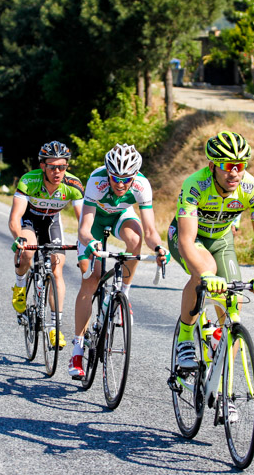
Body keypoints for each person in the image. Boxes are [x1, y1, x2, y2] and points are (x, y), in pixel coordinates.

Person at [168, 131, 254, 374]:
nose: (234, 172)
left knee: (233, 299)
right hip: (189, 237)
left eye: (240, 165)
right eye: (227, 166)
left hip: (222, 240)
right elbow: (186, 240)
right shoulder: (195, 184)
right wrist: (204, 275)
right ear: (212, 165)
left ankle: (222, 386)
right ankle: (185, 338)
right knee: (205, 271)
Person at [69, 144, 168, 377]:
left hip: (120, 215)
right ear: (108, 173)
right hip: (94, 220)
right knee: (90, 281)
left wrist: (159, 247)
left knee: (136, 238)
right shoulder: (97, 180)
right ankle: (77, 349)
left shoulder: (142, 185)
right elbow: (84, 228)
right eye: (116, 178)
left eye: (127, 179)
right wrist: (91, 243)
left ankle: (124, 292)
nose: (121, 184)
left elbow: (151, 231)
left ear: (135, 176)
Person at [10, 141, 84, 350]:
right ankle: (20, 285)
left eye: (62, 166)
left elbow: (83, 222)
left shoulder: (73, 185)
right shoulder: (29, 181)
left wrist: (86, 243)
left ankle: (54, 326)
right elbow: (15, 218)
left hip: (52, 223)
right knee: (27, 252)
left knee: (57, 268)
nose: (58, 171)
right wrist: (18, 238)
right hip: (29, 221)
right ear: (43, 166)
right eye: (52, 167)